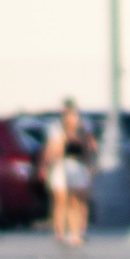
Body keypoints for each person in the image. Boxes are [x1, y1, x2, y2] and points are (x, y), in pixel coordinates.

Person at [40, 101, 96, 248]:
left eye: (76, 117)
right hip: (61, 167)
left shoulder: (83, 132)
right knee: (62, 200)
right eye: (72, 116)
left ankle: (76, 232)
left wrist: (91, 165)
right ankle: (60, 232)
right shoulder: (58, 131)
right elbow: (53, 152)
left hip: (79, 167)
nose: (75, 120)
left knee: (77, 201)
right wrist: (46, 165)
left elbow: (88, 151)